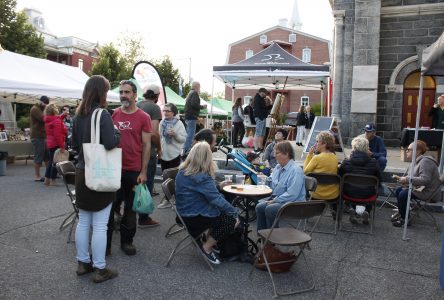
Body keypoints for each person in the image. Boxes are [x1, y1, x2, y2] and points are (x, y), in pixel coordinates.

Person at [71, 75, 119, 283]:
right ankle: (100, 268)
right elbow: (109, 143)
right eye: (106, 90)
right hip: (99, 173)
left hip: (82, 172)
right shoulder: (103, 115)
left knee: (83, 221)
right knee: (100, 225)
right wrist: (118, 135)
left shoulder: (77, 115)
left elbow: (74, 145)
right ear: (101, 92)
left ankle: (83, 263)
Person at [175, 142, 240, 265]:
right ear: (206, 158)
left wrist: (217, 186)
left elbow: (198, 190)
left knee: (222, 208)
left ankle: (209, 238)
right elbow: (215, 199)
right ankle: (207, 247)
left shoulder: (183, 171)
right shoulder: (201, 176)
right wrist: (235, 212)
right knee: (230, 220)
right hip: (195, 217)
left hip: (183, 213)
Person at [108, 80, 152, 256]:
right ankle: (106, 244)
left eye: (127, 92)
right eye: (121, 92)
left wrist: (143, 171)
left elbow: (147, 145)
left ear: (135, 95)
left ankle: (127, 242)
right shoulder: (112, 114)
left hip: (134, 170)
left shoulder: (144, 117)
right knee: (111, 206)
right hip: (113, 169)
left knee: (131, 209)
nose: (123, 95)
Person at [255, 141, 306, 231]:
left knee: (270, 209)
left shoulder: (295, 170)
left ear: (286, 154)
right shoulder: (278, 167)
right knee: (259, 207)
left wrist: (275, 200)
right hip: (280, 199)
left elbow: (292, 194)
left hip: (294, 204)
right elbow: (271, 183)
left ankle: (271, 239)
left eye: (277, 153)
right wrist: (264, 179)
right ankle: (263, 236)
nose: (274, 155)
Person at [392, 140, 442, 227]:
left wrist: (407, 179)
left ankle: (405, 220)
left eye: (409, 149)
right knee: (399, 190)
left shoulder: (425, 161)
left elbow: (425, 180)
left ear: (418, 151)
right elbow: (412, 178)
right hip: (420, 188)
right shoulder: (415, 161)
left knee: (403, 194)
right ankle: (403, 214)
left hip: (428, 192)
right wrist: (403, 180)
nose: (406, 151)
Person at [136, 83, 162, 228]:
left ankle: (127, 214)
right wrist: (159, 147)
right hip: (148, 151)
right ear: (157, 96)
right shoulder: (154, 108)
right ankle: (144, 217)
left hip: (134, 151)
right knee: (146, 184)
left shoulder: (137, 104)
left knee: (133, 184)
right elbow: (153, 133)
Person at [338, 136, 381, 225]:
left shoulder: (346, 162)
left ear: (353, 148)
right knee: (369, 188)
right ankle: (367, 212)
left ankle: (353, 209)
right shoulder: (373, 163)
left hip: (348, 194)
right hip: (368, 195)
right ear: (367, 148)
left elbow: (339, 177)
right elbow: (379, 180)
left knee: (351, 186)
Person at [157, 103, 186, 208]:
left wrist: (175, 135)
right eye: (164, 111)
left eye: (167, 111)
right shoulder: (162, 122)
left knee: (173, 178)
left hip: (174, 154)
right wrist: (159, 149)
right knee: (165, 178)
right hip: (164, 154)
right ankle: (167, 199)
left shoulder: (179, 124)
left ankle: (174, 199)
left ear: (173, 112)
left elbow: (184, 139)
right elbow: (160, 138)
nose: (165, 113)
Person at [303, 131, 339, 215]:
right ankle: (334, 211)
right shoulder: (335, 157)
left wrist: (309, 155)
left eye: (317, 141)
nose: (315, 144)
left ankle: (306, 212)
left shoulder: (317, 158)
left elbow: (305, 171)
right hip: (332, 194)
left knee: (305, 181)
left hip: (317, 194)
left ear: (324, 144)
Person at [43, 103, 67, 186]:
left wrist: (62, 116)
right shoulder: (56, 120)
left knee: (51, 161)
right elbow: (57, 135)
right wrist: (62, 146)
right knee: (56, 162)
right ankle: (53, 180)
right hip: (56, 143)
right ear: (54, 110)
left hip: (50, 143)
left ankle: (47, 179)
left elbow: (57, 119)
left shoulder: (48, 119)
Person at [183, 81, 206, 156]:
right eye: (199, 87)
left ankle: (186, 150)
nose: (200, 89)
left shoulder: (190, 93)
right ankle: (187, 151)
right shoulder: (194, 93)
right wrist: (202, 107)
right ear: (197, 86)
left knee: (188, 134)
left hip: (188, 116)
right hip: (191, 117)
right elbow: (194, 104)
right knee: (190, 135)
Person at [30, 96, 49, 181]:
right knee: (39, 156)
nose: (45, 106)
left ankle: (48, 175)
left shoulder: (40, 108)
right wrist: (47, 110)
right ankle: (37, 176)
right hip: (37, 136)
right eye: (45, 104)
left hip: (42, 136)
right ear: (41, 102)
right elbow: (43, 119)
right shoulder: (35, 109)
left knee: (47, 156)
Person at [253, 88, 269, 152]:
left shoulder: (261, 99)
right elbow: (257, 110)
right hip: (260, 118)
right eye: (264, 93)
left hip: (262, 118)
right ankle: (256, 148)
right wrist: (261, 117)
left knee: (262, 134)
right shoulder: (257, 99)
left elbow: (263, 108)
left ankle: (260, 147)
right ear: (261, 92)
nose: (265, 95)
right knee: (258, 133)